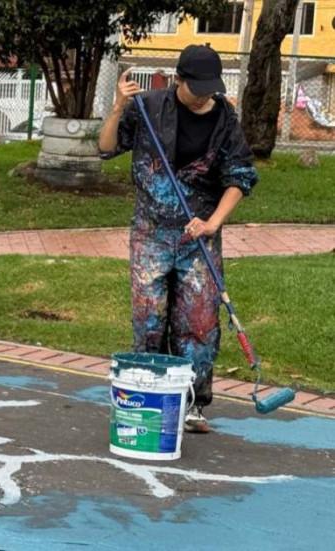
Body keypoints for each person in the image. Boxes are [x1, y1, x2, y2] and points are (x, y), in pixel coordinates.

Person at [98, 44, 258, 434]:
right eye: (196, 87)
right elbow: (105, 148)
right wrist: (118, 106)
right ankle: (151, 398)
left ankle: (192, 404)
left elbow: (240, 176)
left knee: (199, 322)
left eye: (210, 88)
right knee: (150, 319)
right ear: (180, 80)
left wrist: (213, 222)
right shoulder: (148, 107)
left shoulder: (224, 118)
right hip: (151, 233)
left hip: (198, 233)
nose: (204, 95)